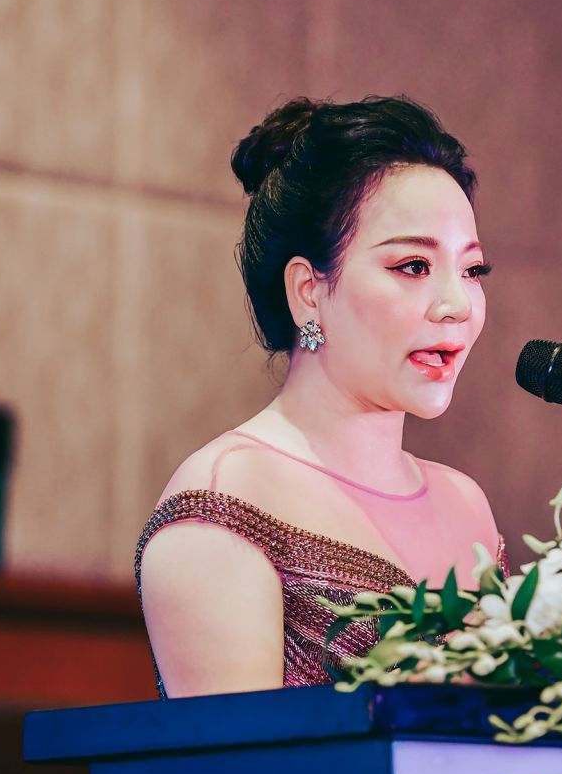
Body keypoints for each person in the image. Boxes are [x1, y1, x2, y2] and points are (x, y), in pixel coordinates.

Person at [135, 96, 503, 698]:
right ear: (308, 291)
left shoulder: (467, 506)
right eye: (413, 266)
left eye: (472, 271)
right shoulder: (226, 498)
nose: (457, 305)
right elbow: (237, 756)